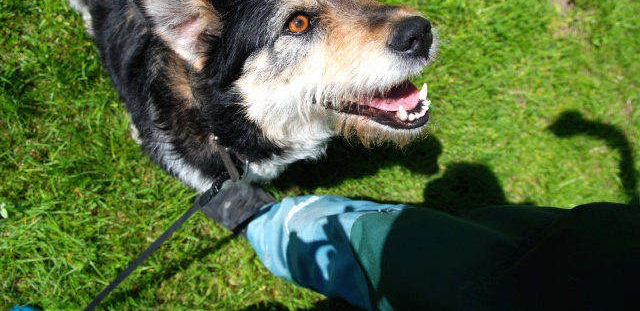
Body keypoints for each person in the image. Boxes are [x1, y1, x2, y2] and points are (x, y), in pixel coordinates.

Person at [201, 181, 640, 311]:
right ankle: (277, 226)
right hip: (600, 261)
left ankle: (269, 224)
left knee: (384, 249)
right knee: (504, 237)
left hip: (535, 293)